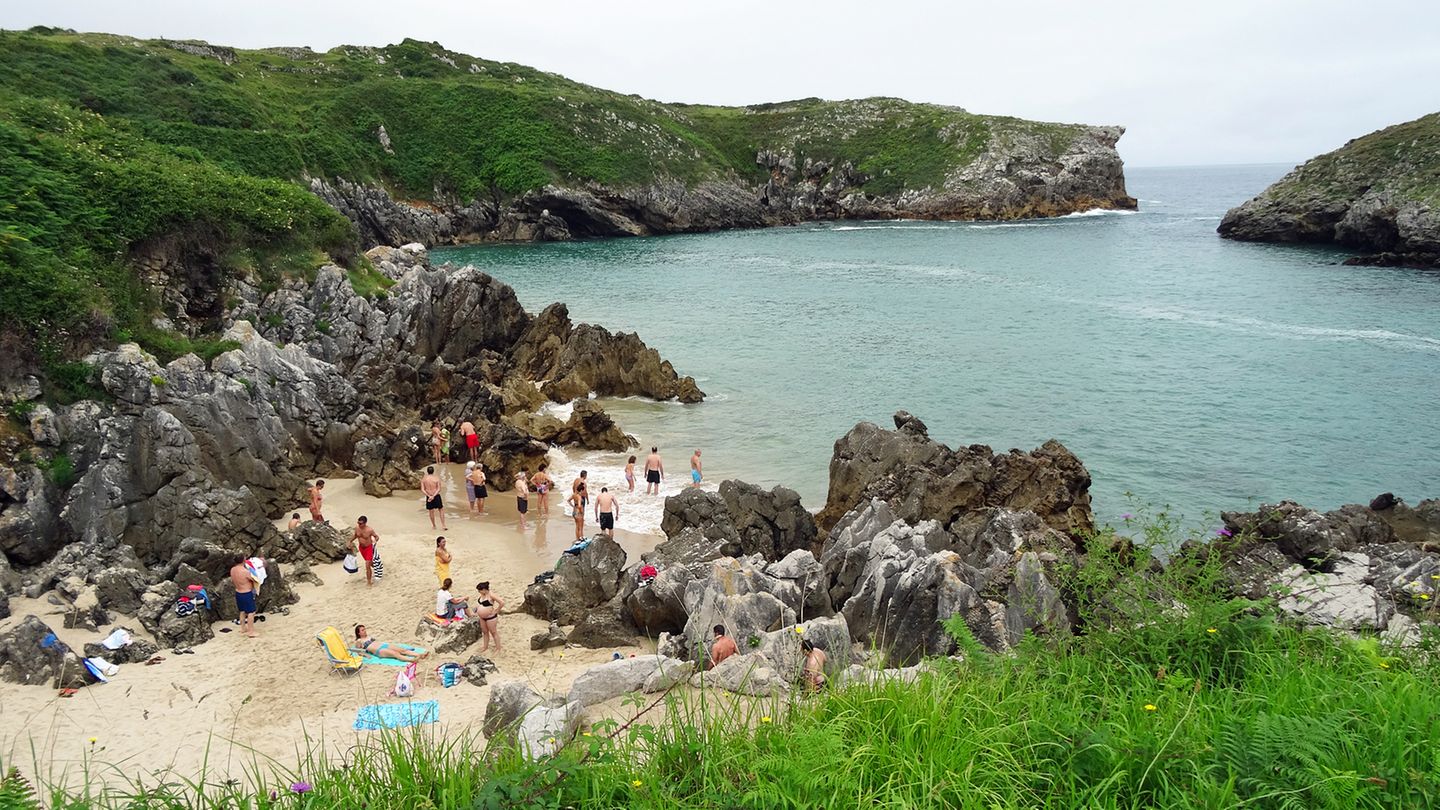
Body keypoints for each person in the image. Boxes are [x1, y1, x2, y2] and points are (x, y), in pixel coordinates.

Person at [354, 624, 424, 662]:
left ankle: (419, 655)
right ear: (359, 633)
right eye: (362, 630)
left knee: (403, 650)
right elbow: (358, 652)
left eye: (365, 629)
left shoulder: (369, 636)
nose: (365, 631)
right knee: (395, 654)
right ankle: (412, 660)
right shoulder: (359, 641)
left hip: (384, 645)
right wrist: (366, 656)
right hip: (379, 651)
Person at [229, 556, 259, 638]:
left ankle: (243, 628)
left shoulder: (233, 570)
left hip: (238, 592)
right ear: (243, 561)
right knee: (251, 612)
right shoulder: (245, 571)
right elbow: (254, 579)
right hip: (246, 593)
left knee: (242, 611)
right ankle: (251, 631)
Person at [474, 581, 505, 653]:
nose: (479, 592)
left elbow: (502, 602)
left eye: (480, 590)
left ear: (484, 589)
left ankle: (498, 648)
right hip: (482, 617)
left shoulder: (491, 595)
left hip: (490, 617)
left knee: (493, 632)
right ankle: (485, 647)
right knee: (485, 632)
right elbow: (481, 604)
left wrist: (497, 610)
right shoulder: (482, 595)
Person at [351, 516, 380, 587]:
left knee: (367, 565)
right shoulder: (357, 528)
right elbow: (355, 536)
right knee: (370, 563)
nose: (359, 525)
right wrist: (349, 541)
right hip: (361, 548)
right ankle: (377, 567)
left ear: (365, 523)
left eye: (360, 523)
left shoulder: (369, 530)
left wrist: (375, 540)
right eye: (358, 523)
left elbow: (376, 536)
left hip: (368, 548)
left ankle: (369, 582)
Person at [421, 465, 448, 530]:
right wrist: (433, 496)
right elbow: (439, 489)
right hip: (436, 496)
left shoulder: (424, 479)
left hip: (428, 496)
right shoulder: (436, 478)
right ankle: (443, 525)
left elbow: (423, 489)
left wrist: (429, 496)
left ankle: (434, 525)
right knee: (441, 510)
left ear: (427, 471)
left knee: (431, 511)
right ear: (433, 471)